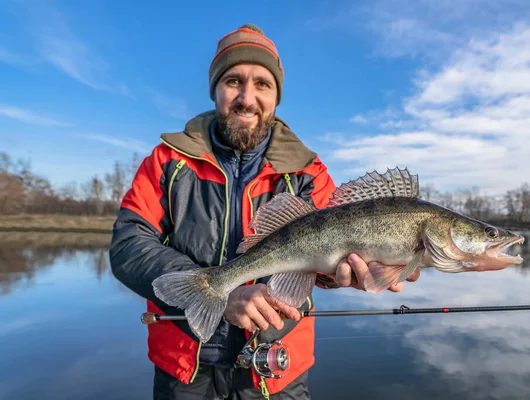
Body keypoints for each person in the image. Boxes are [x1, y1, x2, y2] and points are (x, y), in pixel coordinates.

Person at [110, 23, 419, 400]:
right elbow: (129, 245)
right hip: (184, 370)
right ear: (215, 90)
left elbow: (325, 254)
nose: (246, 97)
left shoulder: (308, 172)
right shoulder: (168, 161)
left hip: (277, 369)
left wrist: (345, 274)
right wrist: (217, 294)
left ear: (276, 96)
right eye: (233, 81)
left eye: (262, 84)